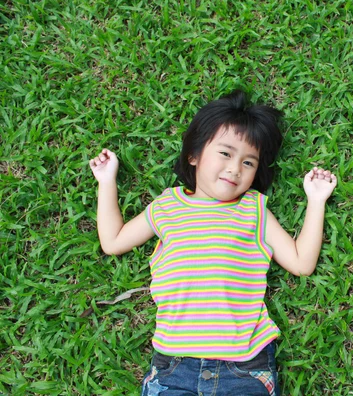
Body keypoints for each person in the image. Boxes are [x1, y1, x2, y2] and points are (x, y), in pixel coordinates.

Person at [89, 90, 337, 396]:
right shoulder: (168, 206)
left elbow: (301, 263)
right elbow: (113, 241)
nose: (235, 168)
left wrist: (316, 200)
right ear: (194, 155)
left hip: (245, 365)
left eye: (249, 163)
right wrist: (106, 180)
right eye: (225, 153)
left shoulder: (253, 209)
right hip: (174, 366)